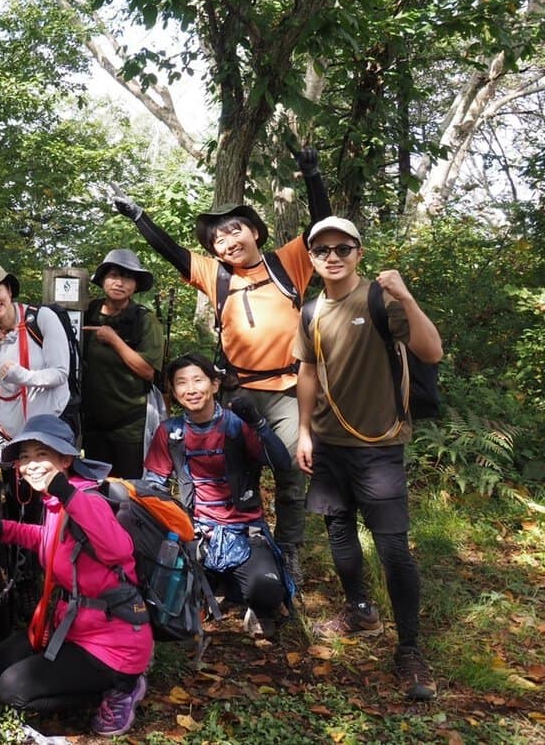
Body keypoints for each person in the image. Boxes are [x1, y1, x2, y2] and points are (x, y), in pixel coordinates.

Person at [112, 149, 330, 583]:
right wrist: (138, 216)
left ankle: (288, 551)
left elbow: (321, 230)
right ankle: (236, 543)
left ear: (255, 231)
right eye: (218, 239)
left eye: (236, 231)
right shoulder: (217, 275)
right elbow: (172, 251)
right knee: (233, 471)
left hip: (287, 389)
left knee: (289, 471)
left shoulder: (287, 263)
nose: (228, 242)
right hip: (237, 391)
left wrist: (312, 174)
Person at [294, 217, 443, 701]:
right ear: (313, 259)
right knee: (338, 530)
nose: (332, 256)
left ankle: (410, 650)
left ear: (359, 252)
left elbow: (431, 350)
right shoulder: (311, 309)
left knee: (393, 547)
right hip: (329, 444)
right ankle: (360, 609)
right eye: (323, 250)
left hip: (379, 446)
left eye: (343, 247)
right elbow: (308, 371)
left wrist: (407, 296)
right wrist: (303, 432)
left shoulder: (381, 299)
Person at [0, 415, 152, 738]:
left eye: (42, 455)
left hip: (111, 643)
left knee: (12, 687)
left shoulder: (84, 499)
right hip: (74, 628)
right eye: (26, 457)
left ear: (66, 459)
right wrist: (2, 529)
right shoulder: (56, 502)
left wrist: (67, 494)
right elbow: (47, 541)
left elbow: (118, 549)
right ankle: (100, 679)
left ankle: (122, 686)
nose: (31, 465)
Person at [145, 353, 293, 638]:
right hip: (196, 535)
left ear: (214, 384)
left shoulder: (237, 424)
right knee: (164, 592)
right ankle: (220, 587)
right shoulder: (170, 432)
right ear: (174, 392)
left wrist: (259, 424)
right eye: (181, 383)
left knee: (268, 593)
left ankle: (242, 593)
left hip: (245, 532)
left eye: (198, 380)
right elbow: (154, 486)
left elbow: (282, 465)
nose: (191, 389)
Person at [81, 249, 165, 478]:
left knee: (129, 490)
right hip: (92, 423)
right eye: (114, 275)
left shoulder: (144, 321)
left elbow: (148, 371)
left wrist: (114, 340)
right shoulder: (86, 312)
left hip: (130, 426)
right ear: (103, 280)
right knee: (96, 488)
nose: (119, 282)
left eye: (127, 277)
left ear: (135, 285)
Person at [0, 261, 69, 440]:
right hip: (9, 438)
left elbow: (60, 373)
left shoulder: (42, 318)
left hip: (51, 432)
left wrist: (22, 376)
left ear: (9, 291)